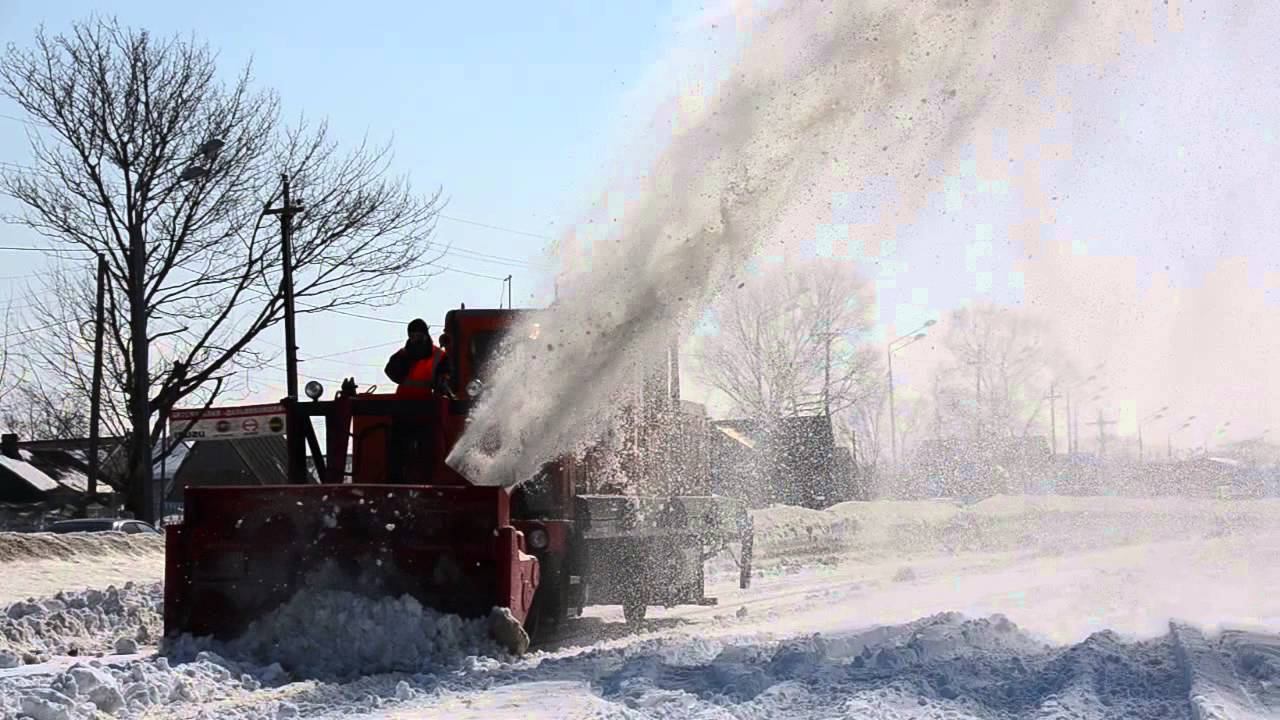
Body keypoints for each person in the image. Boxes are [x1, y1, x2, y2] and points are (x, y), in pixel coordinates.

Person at [384, 318, 444, 482]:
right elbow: (390, 371)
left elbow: (447, 377)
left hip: (426, 409)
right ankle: (395, 483)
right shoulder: (402, 355)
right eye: (413, 335)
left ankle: (428, 482)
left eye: (419, 335)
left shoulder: (439, 356)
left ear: (426, 335)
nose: (416, 338)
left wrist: (441, 385)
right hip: (403, 407)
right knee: (398, 451)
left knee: (427, 450)